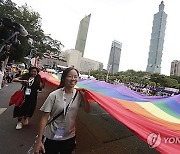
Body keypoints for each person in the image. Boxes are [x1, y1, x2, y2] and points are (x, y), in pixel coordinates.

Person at [34, 67, 90, 154]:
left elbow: (87, 110)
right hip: (51, 136)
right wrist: (39, 141)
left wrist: (84, 97)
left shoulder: (78, 95)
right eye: (70, 76)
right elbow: (44, 118)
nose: (73, 79)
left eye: (75, 77)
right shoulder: (54, 95)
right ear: (63, 78)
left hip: (69, 137)